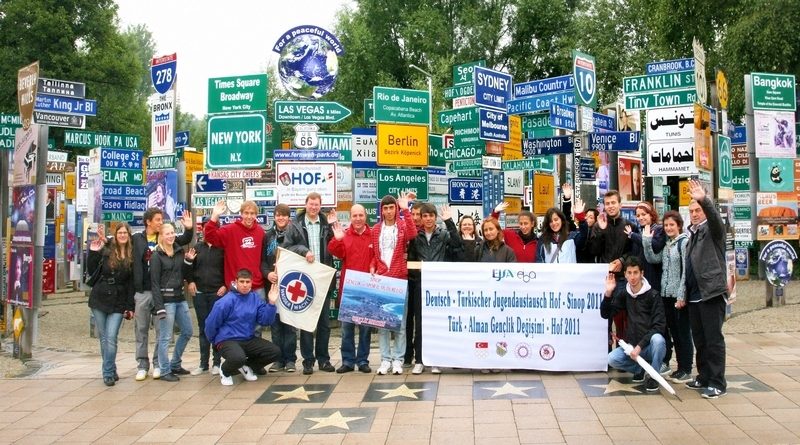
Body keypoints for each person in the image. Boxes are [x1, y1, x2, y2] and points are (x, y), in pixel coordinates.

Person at [131, 208, 194, 381]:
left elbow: (183, 240)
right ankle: (144, 365)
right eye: (157, 220)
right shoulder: (138, 240)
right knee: (142, 329)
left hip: (170, 295)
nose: (160, 222)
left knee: (167, 332)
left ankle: (162, 364)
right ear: (148, 222)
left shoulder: (175, 247)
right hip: (145, 290)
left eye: (162, 220)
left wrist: (189, 229)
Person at [281, 192, 335, 375]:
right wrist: (304, 250)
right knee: (306, 323)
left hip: (323, 279)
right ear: (306, 204)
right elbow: (287, 248)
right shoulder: (295, 225)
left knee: (324, 323)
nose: (313, 207)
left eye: (317, 204)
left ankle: (324, 359)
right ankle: (308, 360)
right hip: (304, 282)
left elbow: (336, 245)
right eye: (311, 204)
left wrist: (335, 226)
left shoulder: (327, 225)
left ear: (320, 206)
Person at [684, 180, 729, 399]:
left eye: (698, 210)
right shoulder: (692, 234)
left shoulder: (713, 231)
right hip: (694, 295)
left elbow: (716, 221)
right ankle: (703, 376)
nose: (694, 214)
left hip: (711, 292)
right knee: (700, 341)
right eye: (691, 210)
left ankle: (717, 382)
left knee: (713, 340)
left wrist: (704, 199)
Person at [407, 203, 461, 374]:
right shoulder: (416, 236)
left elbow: (458, 245)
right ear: (421, 218)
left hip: (439, 285)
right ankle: (420, 359)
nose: (428, 219)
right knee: (420, 322)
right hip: (420, 284)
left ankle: (436, 359)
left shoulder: (443, 234)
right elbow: (410, 259)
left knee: (437, 323)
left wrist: (450, 222)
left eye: (431, 215)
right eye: (425, 216)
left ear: (435, 217)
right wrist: (416, 277)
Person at [204, 269, 282, 386]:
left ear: (251, 283)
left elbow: (265, 321)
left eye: (247, 282)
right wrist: (215, 342)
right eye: (242, 282)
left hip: (247, 339)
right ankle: (225, 371)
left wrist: (271, 303)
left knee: (274, 352)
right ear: (236, 282)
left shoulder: (255, 298)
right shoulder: (226, 301)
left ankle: (246, 366)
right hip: (228, 340)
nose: (245, 285)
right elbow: (211, 323)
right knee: (237, 357)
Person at [601, 257, 666, 393]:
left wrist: (640, 347)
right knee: (612, 359)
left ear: (642, 273)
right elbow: (606, 314)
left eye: (635, 273)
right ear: (625, 274)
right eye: (629, 273)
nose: (632, 277)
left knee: (658, 340)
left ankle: (654, 375)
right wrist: (608, 293)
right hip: (632, 345)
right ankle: (641, 369)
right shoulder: (625, 294)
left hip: (648, 345)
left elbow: (658, 327)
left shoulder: (653, 296)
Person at [642, 210, 693, 384]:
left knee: (683, 334)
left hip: (678, 297)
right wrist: (647, 240)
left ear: (679, 225)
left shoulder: (684, 243)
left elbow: (686, 271)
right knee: (674, 333)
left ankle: (686, 368)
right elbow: (653, 259)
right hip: (666, 295)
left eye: (672, 225)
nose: (669, 228)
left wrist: (681, 295)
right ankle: (679, 367)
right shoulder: (667, 244)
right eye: (666, 225)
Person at [370, 193, 417, 375]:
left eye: (392, 208)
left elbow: (413, 234)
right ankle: (385, 359)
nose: (389, 212)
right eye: (385, 208)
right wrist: (373, 267)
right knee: (382, 324)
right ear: (381, 210)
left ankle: (398, 359)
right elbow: (375, 255)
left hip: (399, 280)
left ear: (395, 209)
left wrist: (406, 209)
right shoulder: (376, 230)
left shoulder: (403, 226)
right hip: (382, 280)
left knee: (400, 324)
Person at [588, 190, 638, 351]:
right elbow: (593, 250)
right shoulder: (599, 225)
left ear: (620, 204)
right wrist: (601, 231)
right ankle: (606, 355)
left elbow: (635, 253)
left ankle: (624, 354)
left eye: (613, 203)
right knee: (604, 319)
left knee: (624, 320)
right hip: (605, 278)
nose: (610, 206)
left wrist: (622, 261)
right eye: (607, 203)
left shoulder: (630, 226)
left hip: (623, 279)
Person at [87, 223, 134, 386]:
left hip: (119, 299)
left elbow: (131, 283)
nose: (122, 235)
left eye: (125, 233)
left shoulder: (131, 254)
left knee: (111, 336)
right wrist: (92, 252)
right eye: (119, 233)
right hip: (100, 296)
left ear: (129, 235)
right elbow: (91, 268)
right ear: (115, 235)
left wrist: (130, 307)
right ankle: (109, 370)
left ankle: (108, 369)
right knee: (104, 338)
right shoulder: (107, 250)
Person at [328, 204, 374, 374]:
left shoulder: (373, 236)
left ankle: (362, 360)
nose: (358, 218)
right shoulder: (345, 235)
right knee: (347, 329)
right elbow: (335, 252)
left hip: (368, 290)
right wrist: (338, 239)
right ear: (350, 217)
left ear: (365, 216)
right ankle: (347, 361)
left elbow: (377, 257)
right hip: (349, 290)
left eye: (361, 215)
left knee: (365, 329)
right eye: (354, 215)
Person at [625, 201, 667, 372]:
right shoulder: (640, 232)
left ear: (652, 215)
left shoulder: (658, 229)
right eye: (639, 215)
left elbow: (656, 246)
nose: (641, 218)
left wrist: (634, 236)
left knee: (658, 324)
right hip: (640, 285)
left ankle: (664, 360)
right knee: (642, 322)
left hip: (654, 284)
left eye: (644, 214)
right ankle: (642, 357)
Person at [151, 223, 193, 382]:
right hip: (166, 300)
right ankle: (164, 370)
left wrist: (188, 261)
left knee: (187, 331)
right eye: (167, 234)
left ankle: (175, 363)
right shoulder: (156, 256)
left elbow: (184, 272)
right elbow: (154, 283)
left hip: (180, 297)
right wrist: (159, 307)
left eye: (172, 233)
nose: (170, 236)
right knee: (166, 337)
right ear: (160, 236)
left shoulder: (178, 251)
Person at [204, 200, 266, 302]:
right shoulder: (230, 230)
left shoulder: (260, 232)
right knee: (238, 317)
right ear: (241, 213)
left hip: (257, 285)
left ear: (256, 215)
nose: (249, 216)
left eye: (252, 213)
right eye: (246, 213)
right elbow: (210, 237)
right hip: (236, 286)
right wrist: (214, 216)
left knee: (260, 316)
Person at [186, 220, 226, 376]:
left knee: (216, 328)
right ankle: (203, 363)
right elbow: (188, 268)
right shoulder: (196, 248)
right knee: (203, 328)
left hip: (218, 293)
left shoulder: (222, 249)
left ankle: (217, 362)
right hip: (201, 294)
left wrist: (225, 285)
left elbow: (227, 269)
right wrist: (190, 281)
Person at [260, 203, 297, 373]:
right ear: (274, 217)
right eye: (278, 215)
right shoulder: (267, 236)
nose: (281, 218)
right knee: (275, 325)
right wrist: (267, 274)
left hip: (291, 287)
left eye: (284, 215)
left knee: (289, 324)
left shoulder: (295, 234)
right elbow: (261, 261)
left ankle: (290, 359)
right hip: (273, 285)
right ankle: (278, 360)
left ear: (289, 217)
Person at [536, 186, 588, 263]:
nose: (554, 223)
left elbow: (584, 234)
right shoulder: (543, 239)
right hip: (551, 275)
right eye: (550, 221)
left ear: (562, 220)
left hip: (570, 275)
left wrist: (581, 218)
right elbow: (539, 259)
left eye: (556, 219)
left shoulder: (572, 237)